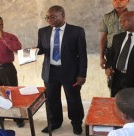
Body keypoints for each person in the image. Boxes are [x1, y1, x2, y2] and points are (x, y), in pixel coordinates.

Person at [37, 5, 88, 135]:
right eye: (47, 17)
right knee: (52, 99)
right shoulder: (43, 31)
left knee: (73, 99)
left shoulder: (77, 31)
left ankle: (76, 124)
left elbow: (82, 54)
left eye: (53, 17)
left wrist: (82, 74)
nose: (49, 20)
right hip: (50, 71)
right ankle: (55, 122)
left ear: (63, 15)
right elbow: (41, 48)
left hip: (70, 72)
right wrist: (33, 51)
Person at [99, 0, 129, 69]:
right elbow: (103, 39)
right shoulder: (106, 17)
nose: (118, 2)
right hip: (111, 52)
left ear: (128, 1)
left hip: (129, 52)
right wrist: (101, 57)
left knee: (130, 77)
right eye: (115, 0)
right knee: (111, 77)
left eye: (121, 0)